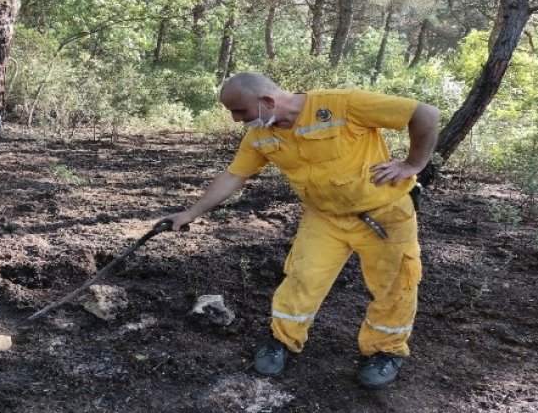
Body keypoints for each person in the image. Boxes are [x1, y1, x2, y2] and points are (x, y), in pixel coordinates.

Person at [162, 72, 439, 389]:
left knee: (395, 285)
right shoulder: (261, 136)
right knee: (302, 277)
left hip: (385, 214)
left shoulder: (342, 105)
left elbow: (425, 114)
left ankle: (386, 352)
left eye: (241, 112)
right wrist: (191, 212)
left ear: (267, 101)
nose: (237, 120)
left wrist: (413, 164)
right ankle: (282, 340)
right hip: (324, 218)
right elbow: (234, 175)